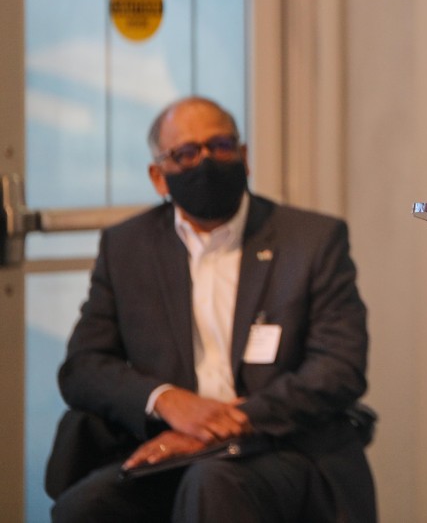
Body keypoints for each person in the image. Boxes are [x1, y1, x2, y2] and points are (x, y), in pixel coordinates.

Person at [48, 96, 376, 523]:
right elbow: (83, 368)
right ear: (159, 177)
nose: (206, 160)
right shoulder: (126, 247)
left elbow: (339, 368)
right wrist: (166, 402)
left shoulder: (312, 240)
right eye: (186, 153)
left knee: (213, 481)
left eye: (219, 146)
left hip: (279, 445)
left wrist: (224, 423)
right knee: (83, 508)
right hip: (166, 443)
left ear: (243, 156)